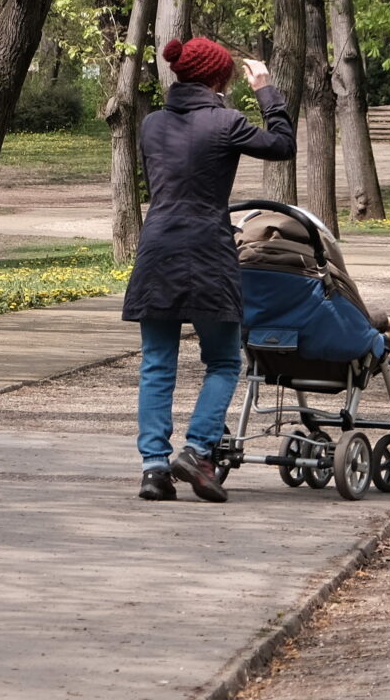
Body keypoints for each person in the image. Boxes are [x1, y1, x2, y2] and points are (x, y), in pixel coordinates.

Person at [123, 36, 293, 502]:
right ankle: (197, 451)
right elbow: (282, 145)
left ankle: (154, 469)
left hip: (158, 247)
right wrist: (265, 90)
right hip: (208, 250)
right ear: (219, 78)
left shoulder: (152, 124)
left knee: (157, 363)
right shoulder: (227, 121)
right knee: (222, 360)